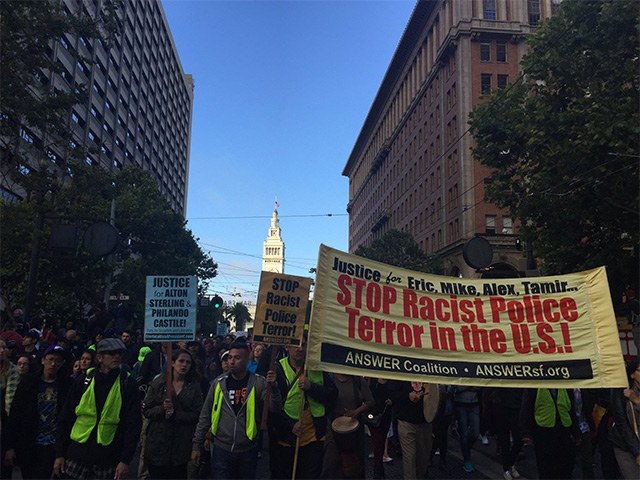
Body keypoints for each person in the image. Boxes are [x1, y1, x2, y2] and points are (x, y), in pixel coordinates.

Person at [53, 337, 141, 480]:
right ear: (99, 358)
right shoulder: (83, 381)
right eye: (112, 354)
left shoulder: (127, 384)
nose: (117, 357)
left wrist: (125, 461)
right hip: (77, 455)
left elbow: (133, 425)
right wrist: (59, 454)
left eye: (119, 353)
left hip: (107, 458)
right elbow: (66, 418)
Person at [191, 342, 280, 479]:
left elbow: (274, 408)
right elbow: (205, 414)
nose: (232, 362)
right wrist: (197, 445)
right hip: (221, 448)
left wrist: (273, 388)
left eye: (237, 358)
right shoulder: (218, 383)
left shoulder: (258, 382)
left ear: (247, 359)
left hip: (247, 449)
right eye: (230, 358)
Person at [269, 337, 337, 479]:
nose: (300, 348)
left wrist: (311, 387)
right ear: (287, 347)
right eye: (296, 345)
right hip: (287, 437)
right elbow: (273, 408)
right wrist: (290, 425)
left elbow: (333, 395)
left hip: (314, 436)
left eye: (304, 344)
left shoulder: (317, 367)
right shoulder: (277, 370)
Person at [4, 345, 72, 479]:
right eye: (50, 359)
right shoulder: (29, 382)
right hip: (29, 444)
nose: (53, 364)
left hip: (54, 446)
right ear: (43, 360)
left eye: (58, 360)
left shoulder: (67, 385)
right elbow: (15, 415)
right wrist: (9, 446)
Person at [143, 349, 203, 479]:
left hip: (180, 447)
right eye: (181, 361)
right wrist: (161, 409)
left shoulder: (193, 386)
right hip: (158, 444)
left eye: (188, 362)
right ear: (172, 363)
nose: (184, 365)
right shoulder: (159, 383)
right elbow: (147, 410)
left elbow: (198, 414)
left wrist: (177, 414)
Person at [521, 388, 578, 479]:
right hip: (543, 433)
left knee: (566, 467)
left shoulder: (566, 385)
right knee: (546, 469)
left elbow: (571, 409)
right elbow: (527, 408)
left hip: (564, 431)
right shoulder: (534, 387)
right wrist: (526, 434)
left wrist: (576, 432)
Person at [389, 380, 439, 480]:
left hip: (425, 421)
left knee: (423, 459)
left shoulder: (430, 369)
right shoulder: (400, 372)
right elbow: (392, 394)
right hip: (406, 421)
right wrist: (407, 396)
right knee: (409, 457)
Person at [609, 357, 640, 479]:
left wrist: (637, 401)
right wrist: (637, 451)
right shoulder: (621, 392)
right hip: (626, 446)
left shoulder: (633, 396)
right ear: (632, 374)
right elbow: (622, 424)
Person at [490, 387, 523, 480]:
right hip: (502, 407)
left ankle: (511, 463)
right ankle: (506, 469)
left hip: (516, 407)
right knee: (505, 441)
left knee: (519, 440)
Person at [0, 339, 20, 480]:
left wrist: (9, 445)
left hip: (4, 424)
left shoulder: (12, 369)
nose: (2, 350)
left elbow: (10, 405)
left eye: (3, 347)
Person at [368, 378, 394, 479]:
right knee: (377, 442)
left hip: (385, 416)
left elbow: (395, 395)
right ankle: (378, 470)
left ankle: (379, 469)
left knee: (382, 441)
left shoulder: (392, 382)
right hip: (373, 416)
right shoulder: (372, 381)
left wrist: (393, 401)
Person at [451, 385, 481, 473]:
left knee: (475, 432)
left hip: (474, 402)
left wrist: (464, 387)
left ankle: (466, 449)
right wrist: (471, 385)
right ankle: (467, 459)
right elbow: (453, 388)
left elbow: (480, 386)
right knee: (463, 433)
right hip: (460, 404)